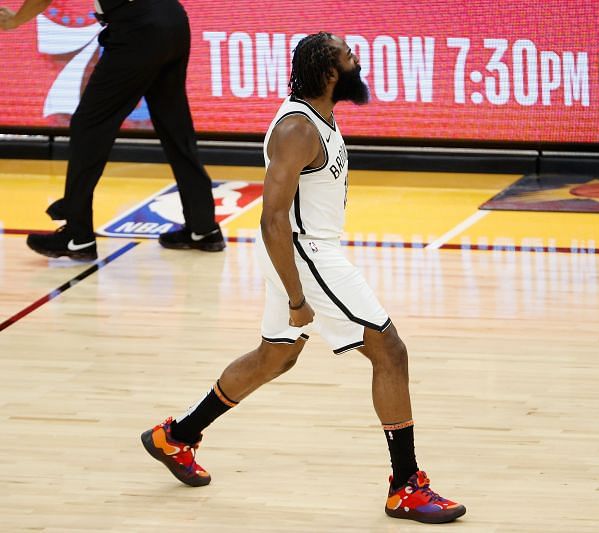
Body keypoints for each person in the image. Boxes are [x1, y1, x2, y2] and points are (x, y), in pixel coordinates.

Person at [140, 32, 466, 524]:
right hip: (305, 251)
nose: (358, 63)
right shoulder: (298, 130)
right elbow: (272, 218)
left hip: (304, 250)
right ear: (330, 74)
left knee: (277, 356)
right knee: (389, 349)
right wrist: (296, 298)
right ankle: (406, 487)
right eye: (349, 58)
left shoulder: (319, 117)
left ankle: (177, 435)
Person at [0, 0, 224, 260]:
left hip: (138, 27)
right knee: (176, 127)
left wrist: (15, 20)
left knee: (88, 125)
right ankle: (203, 226)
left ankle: (77, 234)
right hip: (172, 20)